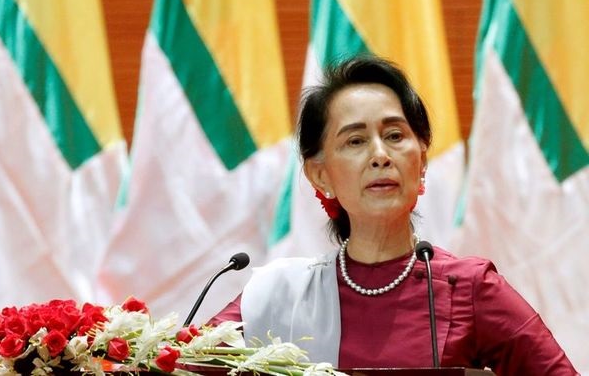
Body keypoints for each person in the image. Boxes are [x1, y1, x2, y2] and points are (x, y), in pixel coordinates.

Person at [209, 55, 578, 375]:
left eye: (395, 135)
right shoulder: (282, 296)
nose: (380, 155)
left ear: (421, 162)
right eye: (355, 141)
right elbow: (181, 363)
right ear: (321, 175)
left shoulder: (468, 289)